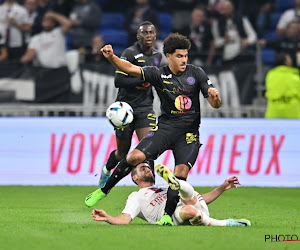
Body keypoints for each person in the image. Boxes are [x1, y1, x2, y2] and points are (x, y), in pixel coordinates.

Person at [85, 32, 222, 226]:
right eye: (179, 56)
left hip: (188, 134)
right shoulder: (158, 73)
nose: (184, 60)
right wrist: (112, 58)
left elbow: (215, 103)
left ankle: (167, 215)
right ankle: (103, 190)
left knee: (179, 175)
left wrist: (216, 99)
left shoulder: (196, 73)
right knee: (133, 157)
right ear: (169, 56)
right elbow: (130, 69)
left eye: (185, 56)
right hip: (165, 129)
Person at [98, 21, 167, 188]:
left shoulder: (158, 57)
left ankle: (149, 190)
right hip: (125, 109)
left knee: (148, 151)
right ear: (138, 36)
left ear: (155, 35)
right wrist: (141, 80)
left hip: (145, 108)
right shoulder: (129, 53)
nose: (148, 35)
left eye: (151, 32)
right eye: (145, 33)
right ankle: (107, 170)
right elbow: (118, 80)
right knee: (122, 152)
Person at [92, 162, 251, 227]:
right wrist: (108, 218)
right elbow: (125, 219)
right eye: (143, 168)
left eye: (149, 167)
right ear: (135, 178)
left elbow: (202, 199)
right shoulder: (136, 196)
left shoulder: (163, 186)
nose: (148, 169)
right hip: (174, 216)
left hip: (195, 207)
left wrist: (222, 187)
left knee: (188, 191)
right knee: (189, 209)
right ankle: (226, 223)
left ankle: (177, 182)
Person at [212, 0, 257, 65]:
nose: (227, 10)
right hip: (226, 56)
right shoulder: (216, 24)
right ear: (221, 10)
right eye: (225, 8)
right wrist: (224, 40)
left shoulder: (242, 19)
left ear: (232, 8)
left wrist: (247, 41)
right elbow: (216, 42)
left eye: (228, 8)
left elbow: (253, 35)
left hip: (241, 53)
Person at [265, 53, 300, 119]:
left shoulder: (270, 75)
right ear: (286, 62)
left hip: (273, 113)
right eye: (289, 59)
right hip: (293, 114)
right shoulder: (294, 77)